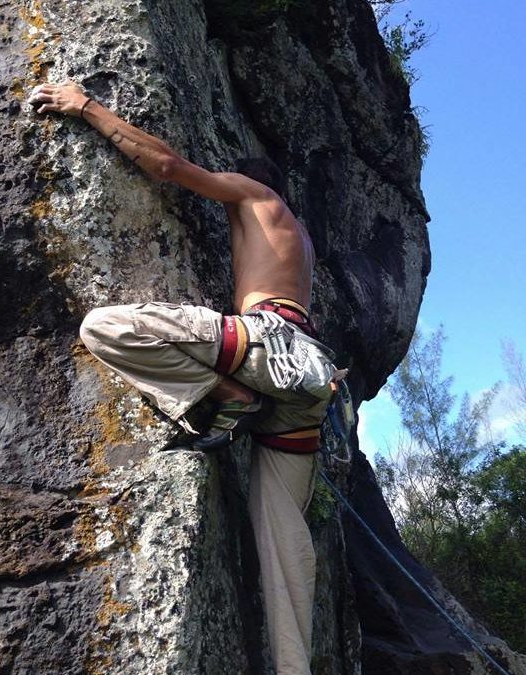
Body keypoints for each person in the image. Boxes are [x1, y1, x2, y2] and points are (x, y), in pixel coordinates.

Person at [29, 81, 340, 675]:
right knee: (282, 540)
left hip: (265, 348)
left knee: (105, 327)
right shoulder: (299, 241)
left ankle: (226, 395)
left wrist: (84, 105)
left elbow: (168, 166)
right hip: (308, 383)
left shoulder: (256, 195)